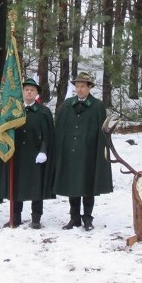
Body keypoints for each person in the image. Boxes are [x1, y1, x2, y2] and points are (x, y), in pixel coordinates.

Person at [53, 72, 113, 231]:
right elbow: (58, 128)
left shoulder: (98, 106)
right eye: (77, 86)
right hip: (70, 154)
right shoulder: (66, 105)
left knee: (88, 186)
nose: (79, 89)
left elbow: (103, 133)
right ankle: (74, 218)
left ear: (89, 87)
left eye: (82, 86)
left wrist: (100, 152)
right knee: (72, 186)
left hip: (89, 154)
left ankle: (87, 218)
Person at [10, 78, 55, 229]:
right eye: (26, 90)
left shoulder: (43, 112)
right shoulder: (14, 110)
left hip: (35, 155)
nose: (29, 92)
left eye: (32, 90)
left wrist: (43, 151)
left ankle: (36, 218)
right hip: (17, 155)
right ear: (22, 92)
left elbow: (48, 135)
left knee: (36, 186)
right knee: (16, 186)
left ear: (36, 93)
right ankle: (15, 217)